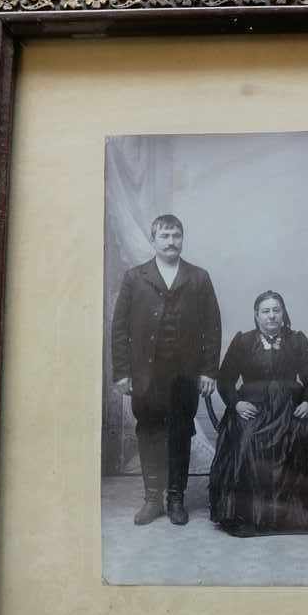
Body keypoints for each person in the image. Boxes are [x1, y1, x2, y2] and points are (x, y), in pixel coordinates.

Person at [209, 290, 308, 537]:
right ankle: (250, 514)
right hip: (253, 408)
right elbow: (225, 380)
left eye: (276, 310)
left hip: (291, 407)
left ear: (283, 313)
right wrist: (236, 404)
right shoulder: (243, 342)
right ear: (256, 316)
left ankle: (300, 513)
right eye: (265, 311)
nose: (271, 316)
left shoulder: (297, 340)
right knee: (247, 440)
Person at [111, 214, 221, 526]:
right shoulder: (135, 277)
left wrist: (209, 372)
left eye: (176, 236)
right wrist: (121, 372)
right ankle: (152, 499)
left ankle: (176, 498)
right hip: (146, 374)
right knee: (149, 432)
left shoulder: (199, 277)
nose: (171, 241)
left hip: (185, 375)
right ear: (154, 240)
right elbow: (119, 328)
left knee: (180, 434)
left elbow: (212, 328)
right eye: (165, 236)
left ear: (182, 239)